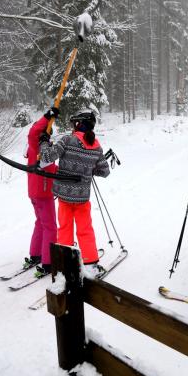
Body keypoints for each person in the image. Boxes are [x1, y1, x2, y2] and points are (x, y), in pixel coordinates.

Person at [39, 108, 111, 274]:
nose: (73, 126)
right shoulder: (96, 147)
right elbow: (105, 171)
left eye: (75, 123)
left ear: (80, 124)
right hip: (82, 198)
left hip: (64, 196)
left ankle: (66, 264)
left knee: (64, 228)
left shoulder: (67, 140)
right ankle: (91, 264)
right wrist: (89, 168)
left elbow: (46, 157)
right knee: (85, 230)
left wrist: (43, 142)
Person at [23, 106, 60, 277]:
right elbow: (33, 132)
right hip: (42, 193)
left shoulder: (43, 149)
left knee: (41, 223)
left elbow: (50, 168)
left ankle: (36, 254)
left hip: (36, 192)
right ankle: (48, 262)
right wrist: (46, 117)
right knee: (50, 227)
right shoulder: (35, 145)